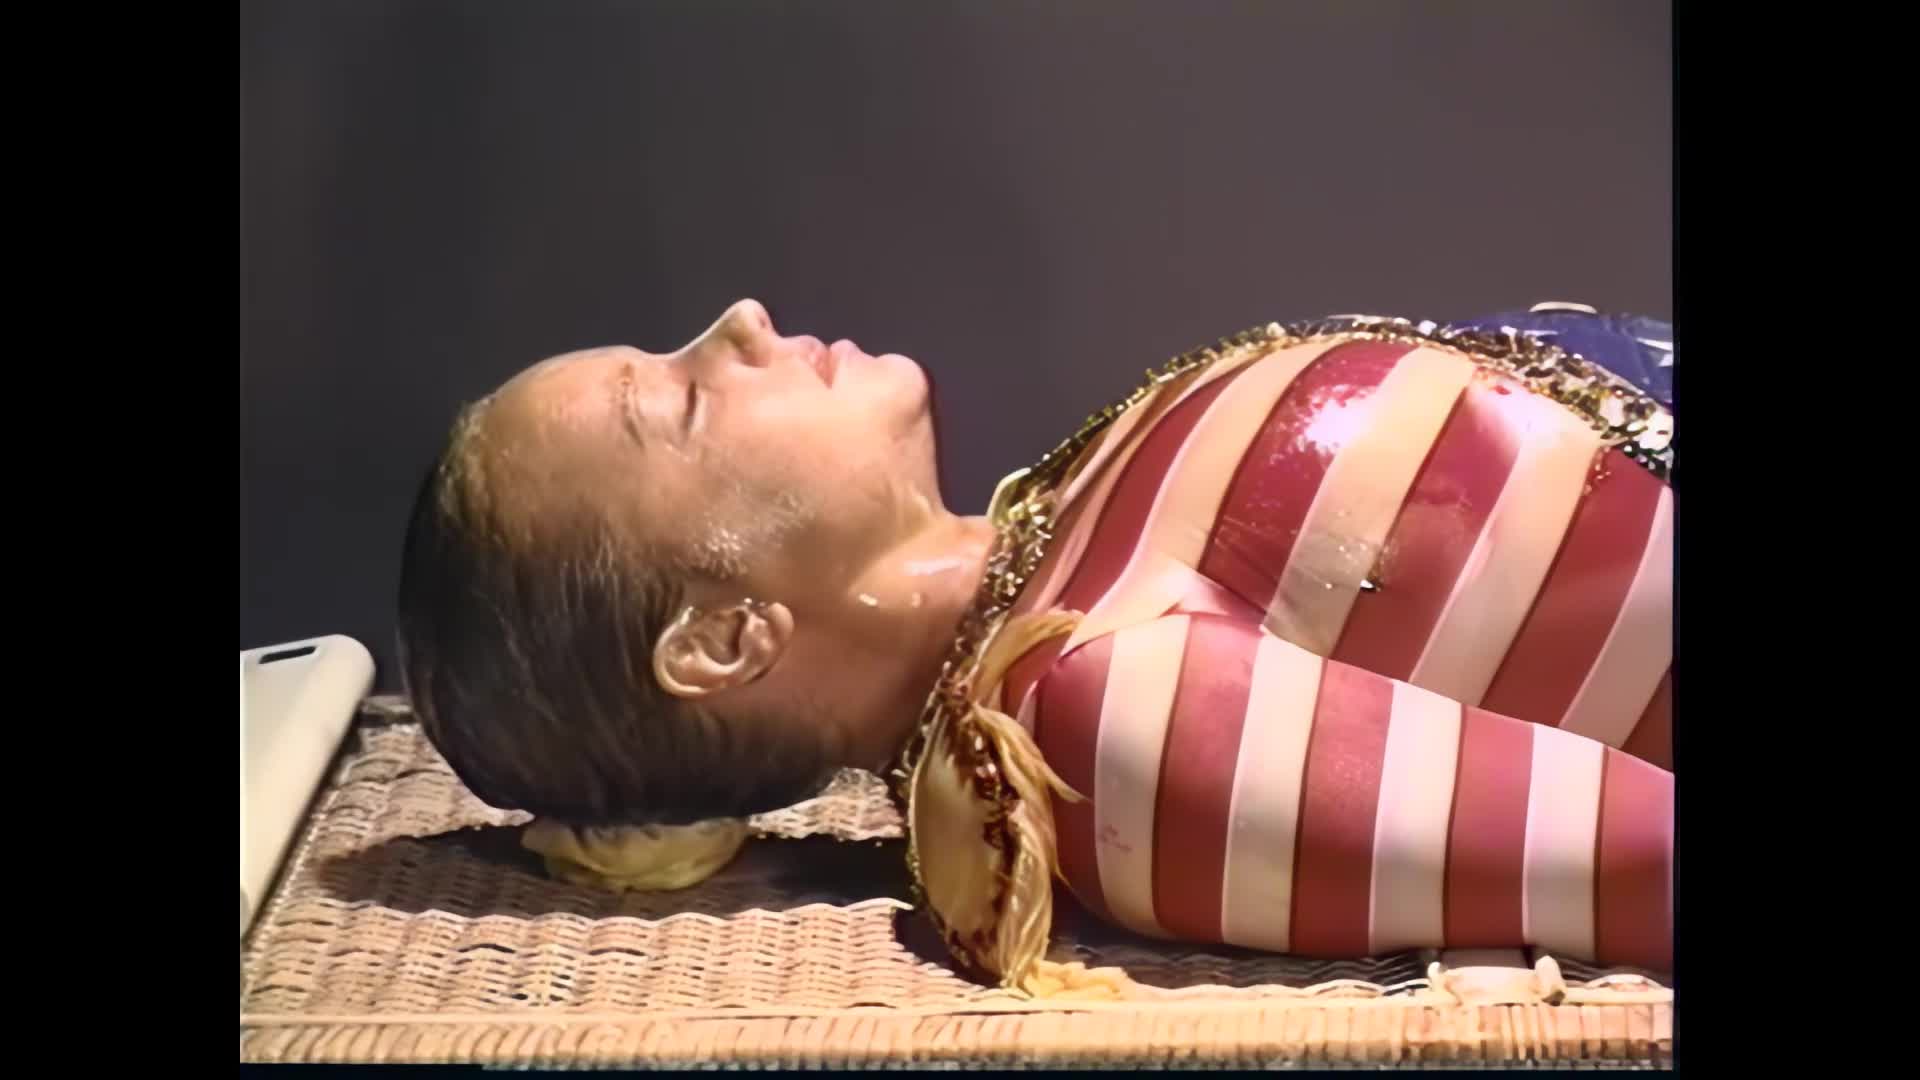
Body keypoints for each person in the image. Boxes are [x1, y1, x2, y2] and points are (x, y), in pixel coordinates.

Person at [397, 298, 1674, 989]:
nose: (737, 322)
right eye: (677, 402)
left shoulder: (1056, 555)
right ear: (726, 642)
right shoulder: (1104, 725)